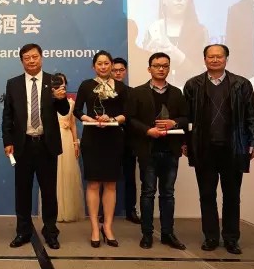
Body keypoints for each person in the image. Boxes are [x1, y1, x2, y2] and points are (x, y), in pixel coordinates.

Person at [183, 44, 254, 255]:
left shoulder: (241, 84)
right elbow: (186, 117)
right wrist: (185, 142)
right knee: (207, 195)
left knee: (232, 196)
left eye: (219, 56)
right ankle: (210, 237)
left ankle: (231, 238)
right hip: (204, 148)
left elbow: (252, 114)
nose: (215, 60)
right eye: (211, 57)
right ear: (204, 59)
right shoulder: (193, 85)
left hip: (233, 147)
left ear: (226, 59)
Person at [2, 44, 69, 250]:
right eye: (27, 58)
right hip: (23, 145)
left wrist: (61, 99)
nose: (31, 61)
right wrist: (7, 141)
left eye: (34, 56)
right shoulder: (13, 84)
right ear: (21, 61)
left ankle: (50, 231)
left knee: (48, 192)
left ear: (41, 57)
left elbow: (64, 111)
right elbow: (8, 115)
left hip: (46, 145)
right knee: (22, 191)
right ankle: (23, 231)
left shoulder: (53, 80)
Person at [127, 53, 188, 250]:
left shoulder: (177, 93)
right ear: (149, 69)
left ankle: (168, 234)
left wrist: (174, 122)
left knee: (168, 194)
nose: (161, 69)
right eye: (157, 65)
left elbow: (187, 118)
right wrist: (147, 131)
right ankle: (147, 234)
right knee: (148, 193)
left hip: (170, 151)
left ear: (169, 68)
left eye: (165, 66)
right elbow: (130, 119)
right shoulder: (137, 92)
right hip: (148, 150)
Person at [74, 50, 127, 248]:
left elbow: (127, 112)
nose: (103, 66)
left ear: (111, 65)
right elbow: (77, 110)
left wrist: (112, 119)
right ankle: (95, 228)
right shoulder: (86, 85)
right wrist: (89, 119)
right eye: (99, 63)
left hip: (113, 138)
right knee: (94, 184)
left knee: (111, 184)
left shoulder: (121, 87)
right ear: (93, 66)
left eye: (106, 63)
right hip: (92, 138)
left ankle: (108, 227)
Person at [142, 0, 209, 87]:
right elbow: (142, 71)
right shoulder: (153, 31)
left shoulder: (200, 32)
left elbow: (205, 76)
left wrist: (180, 58)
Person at [53, 73, 85, 223]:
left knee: (68, 174)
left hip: (66, 140)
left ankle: (69, 211)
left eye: (63, 83)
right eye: (57, 83)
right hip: (52, 139)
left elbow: (72, 124)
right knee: (53, 175)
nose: (61, 86)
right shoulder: (48, 101)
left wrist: (75, 143)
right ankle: (55, 212)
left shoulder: (71, 102)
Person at [112, 57, 140, 224]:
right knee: (108, 178)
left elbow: (135, 116)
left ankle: (131, 210)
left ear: (126, 71)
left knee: (130, 177)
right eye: (114, 70)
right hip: (108, 141)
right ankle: (107, 212)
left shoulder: (132, 92)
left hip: (128, 140)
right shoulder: (103, 92)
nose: (118, 73)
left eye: (121, 70)